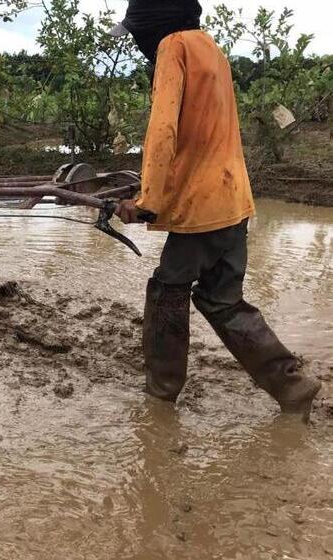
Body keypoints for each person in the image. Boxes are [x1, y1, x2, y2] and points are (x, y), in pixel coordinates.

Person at [110, 0, 321, 418]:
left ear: (151, 25)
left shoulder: (173, 46)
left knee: (168, 289)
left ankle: (160, 396)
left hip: (200, 207)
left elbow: (163, 129)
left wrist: (148, 202)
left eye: (136, 34)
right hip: (232, 198)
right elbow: (200, 133)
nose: (136, 43)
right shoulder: (211, 48)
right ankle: (293, 385)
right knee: (222, 299)